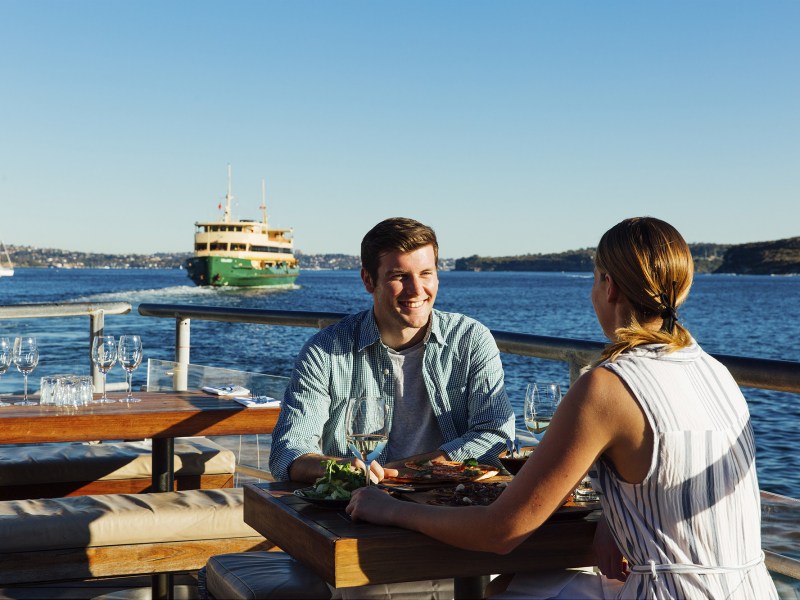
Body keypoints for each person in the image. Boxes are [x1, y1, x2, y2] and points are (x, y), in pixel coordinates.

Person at [347, 216, 778, 599]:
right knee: (513, 584)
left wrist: (392, 509)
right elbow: (666, 470)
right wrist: (614, 515)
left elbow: (502, 533)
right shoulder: (715, 372)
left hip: (668, 590)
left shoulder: (608, 386)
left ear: (608, 286)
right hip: (752, 586)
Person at [269, 216, 515, 485]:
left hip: (450, 502)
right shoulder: (325, 351)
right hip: (356, 507)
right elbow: (288, 453)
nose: (417, 290)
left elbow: (496, 435)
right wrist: (343, 467)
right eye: (400, 276)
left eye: (426, 274)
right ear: (368, 280)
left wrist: (408, 469)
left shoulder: (470, 340)